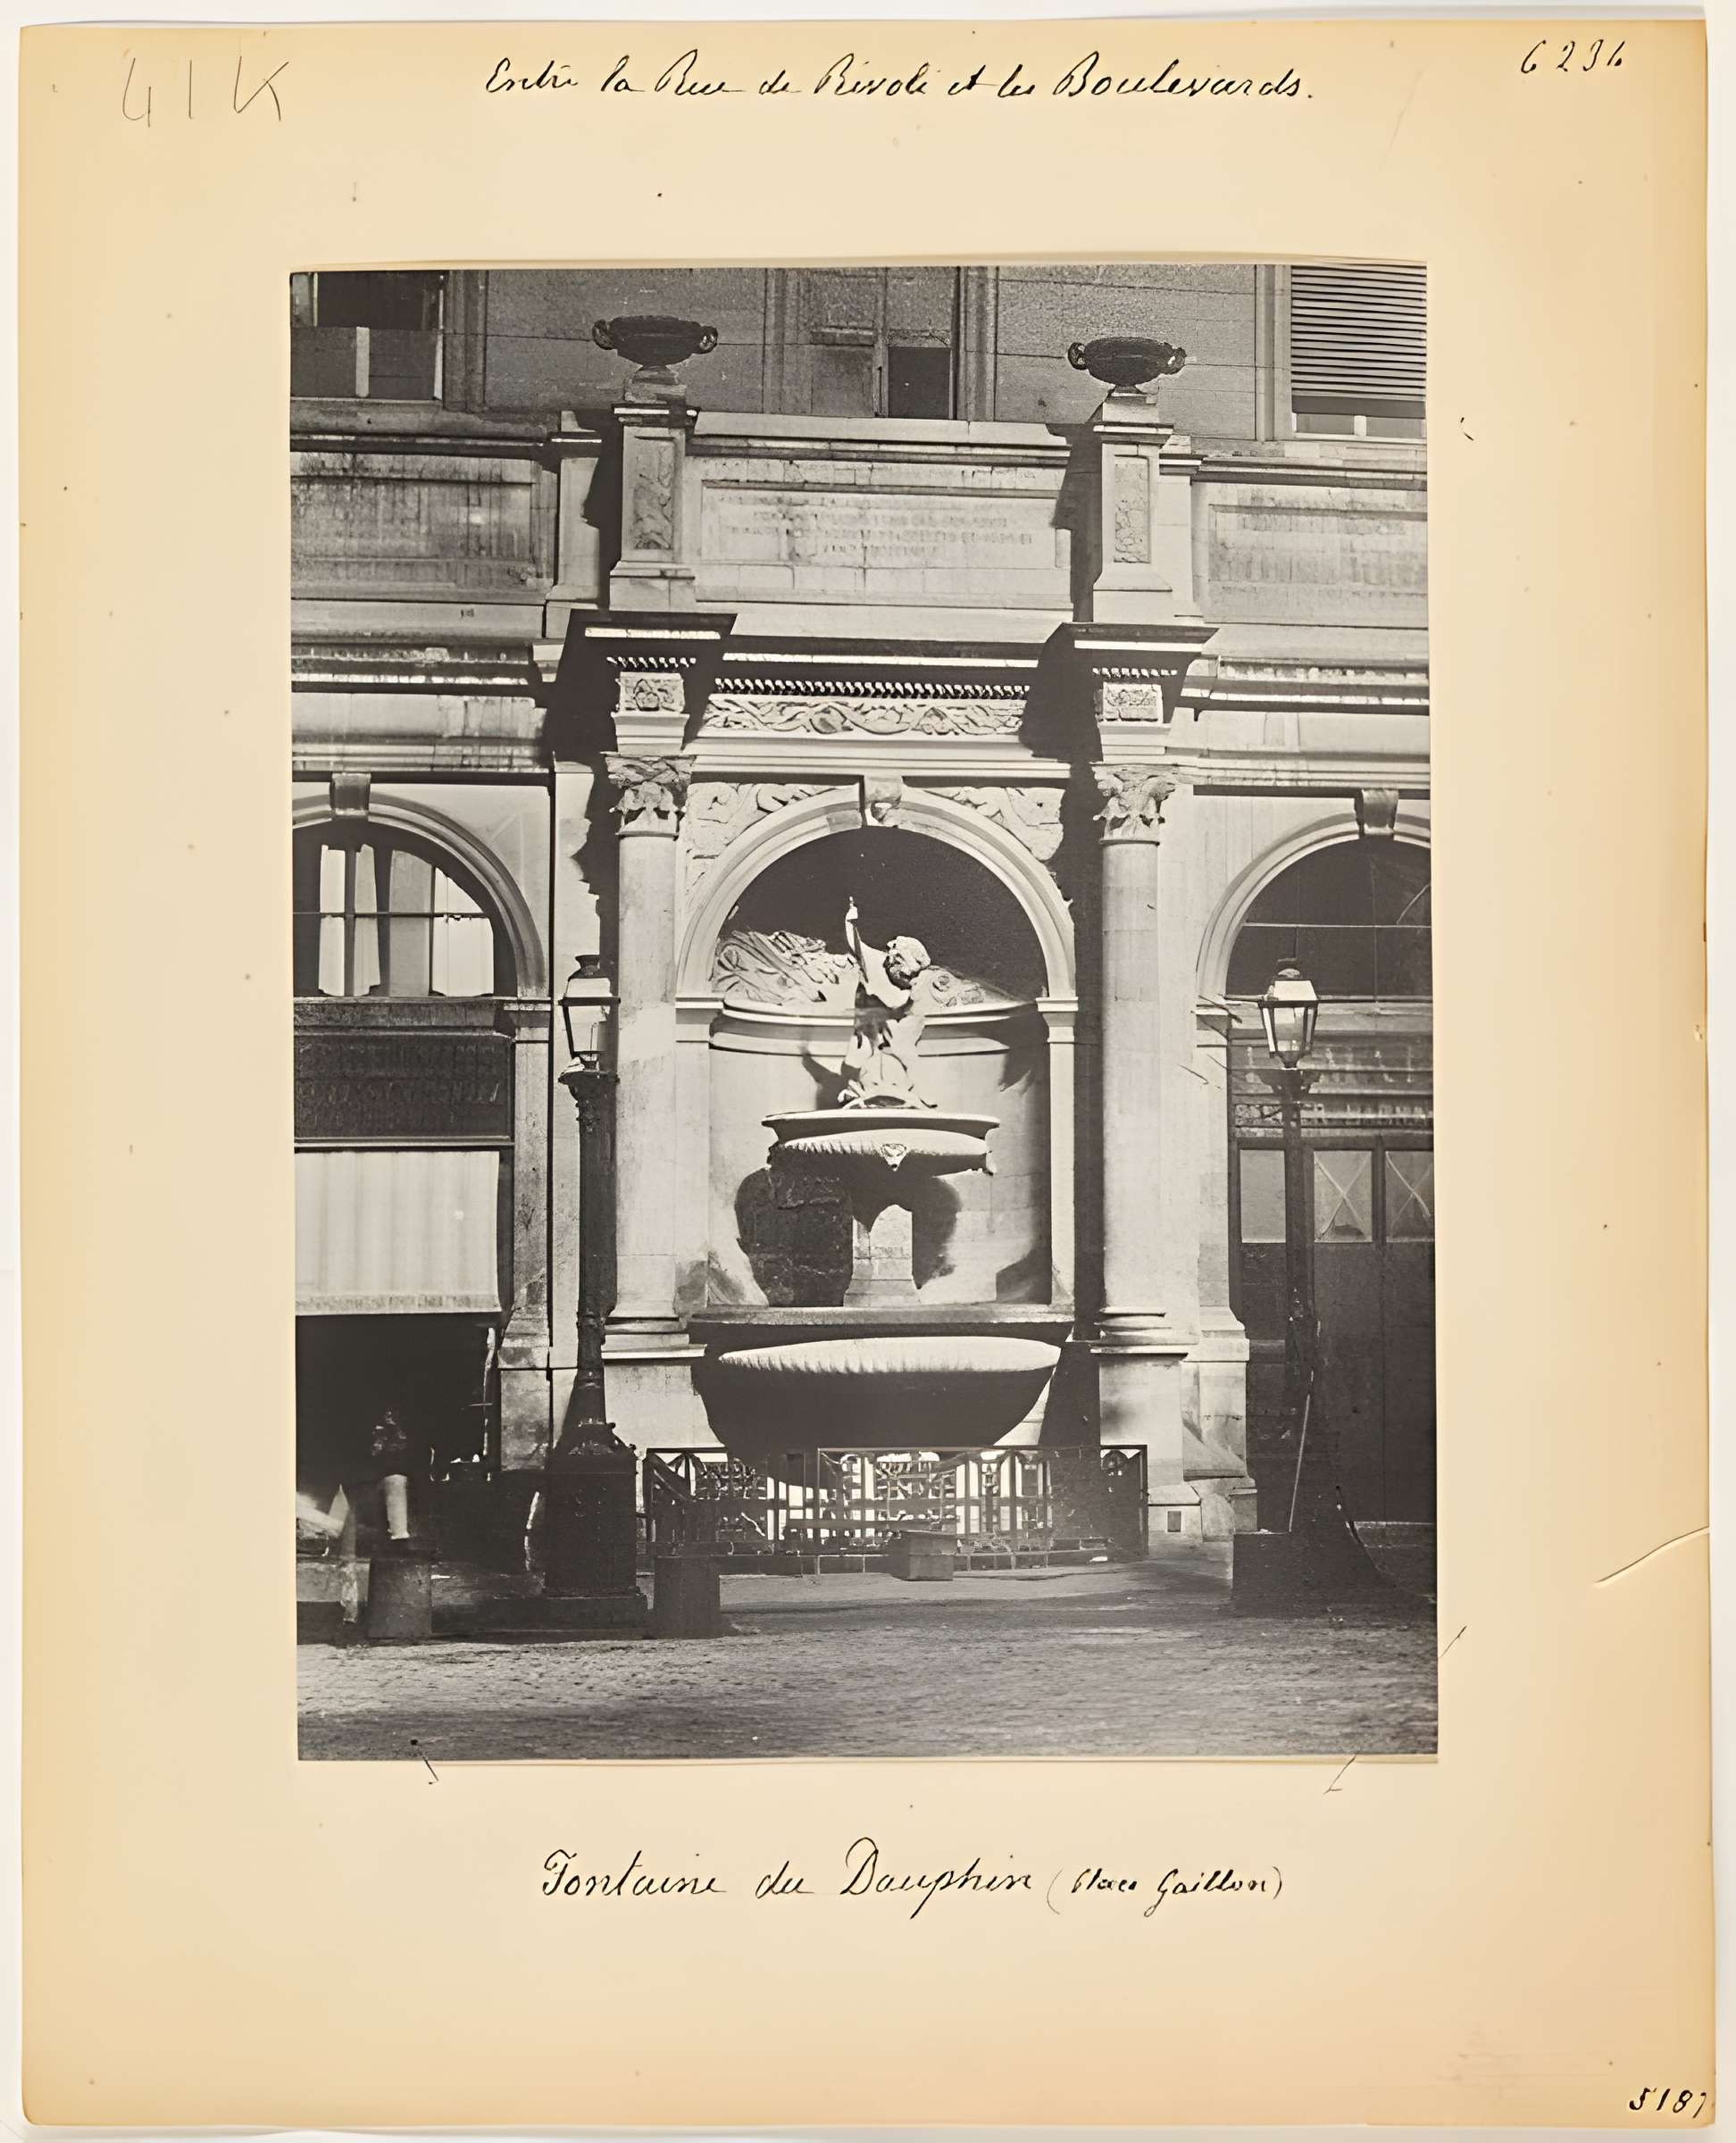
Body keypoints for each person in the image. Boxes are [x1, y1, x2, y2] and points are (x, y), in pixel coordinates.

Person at [838, 896, 936, 1109]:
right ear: (896, 960)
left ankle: (913, 1091)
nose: (908, 981)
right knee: (869, 1052)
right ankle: (867, 1090)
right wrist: (850, 920)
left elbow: (909, 1008)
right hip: (869, 1019)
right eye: (906, 975)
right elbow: (855, 943)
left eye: (911, 977)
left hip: (893, 1022)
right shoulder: (873, 961)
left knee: (904, 1048)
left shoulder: (908, 986)